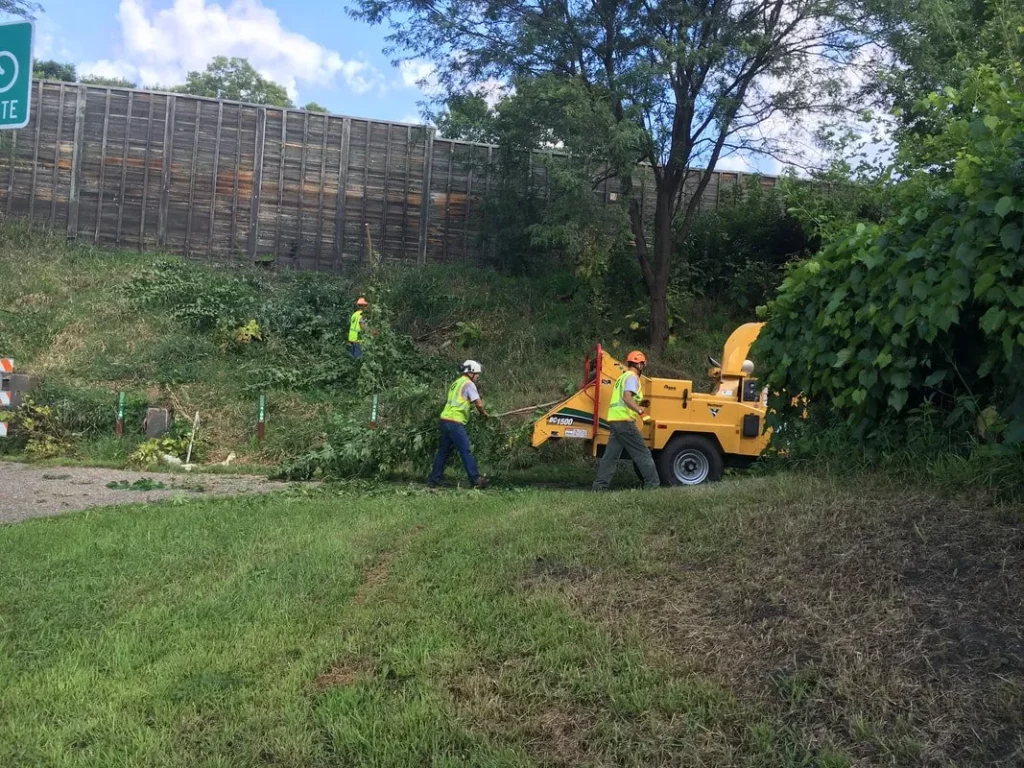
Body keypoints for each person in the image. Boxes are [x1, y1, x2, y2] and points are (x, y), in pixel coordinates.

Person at [592, 350, 660, 491]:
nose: (643, 366)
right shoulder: (632, 378)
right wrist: (641, 412)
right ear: (640, 365)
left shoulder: (623, 377)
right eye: (643, 363)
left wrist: (639, 404)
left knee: (610, 457)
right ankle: (652, 485)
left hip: (615, 420)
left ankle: (599, 487)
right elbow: (627, 397)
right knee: (643, 453)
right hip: (624, 421)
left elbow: (626, 399)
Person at [428, 360, 489, 489]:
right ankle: (475, 479)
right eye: (477, 374)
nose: (478, 376)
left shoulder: (456, 383)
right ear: (470, 372)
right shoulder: (468, 384)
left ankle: (435, 478)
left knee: (443, 451)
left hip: (445, 420)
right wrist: (484, 414)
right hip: (455, 422)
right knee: (466, 449)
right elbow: (478, 403)